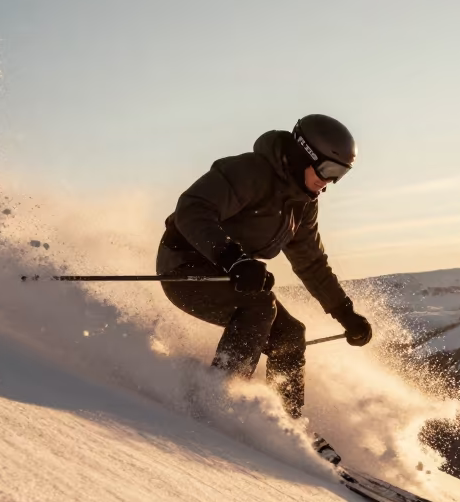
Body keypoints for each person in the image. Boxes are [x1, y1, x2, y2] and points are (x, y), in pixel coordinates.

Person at [157, 114, 372, 420]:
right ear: (303, 155)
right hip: (185, 265)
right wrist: (232, 257)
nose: (329, 181)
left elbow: (311, 262)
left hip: (233, 273)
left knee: (290, 335)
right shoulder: (250, 172)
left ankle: (285, 422)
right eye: (328, 169)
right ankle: (217, 401)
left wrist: (345, 312)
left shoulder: (303, 203)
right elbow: (191, 208)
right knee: (260, 305)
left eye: (340, 174)